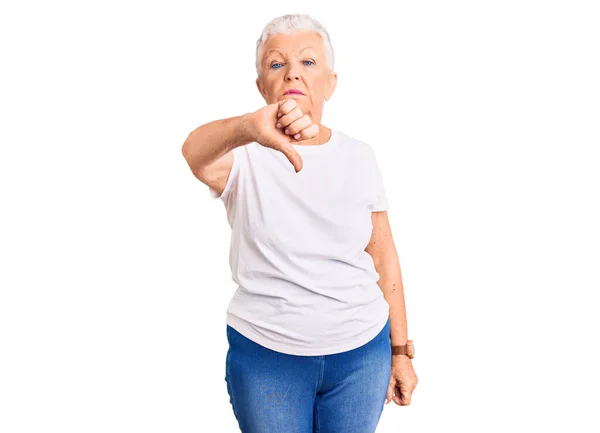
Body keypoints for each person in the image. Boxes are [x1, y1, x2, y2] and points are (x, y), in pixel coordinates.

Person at [182, 13, 418, 433]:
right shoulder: (243, 156)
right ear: (261, 85)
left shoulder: (359, 156)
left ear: (331, 82)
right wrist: (245, 128)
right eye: (276, 64)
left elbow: (382, 251)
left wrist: (400, 350)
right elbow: (193, 154)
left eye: (308, 62)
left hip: (362, 354)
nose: (292, 71)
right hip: (267, 357)